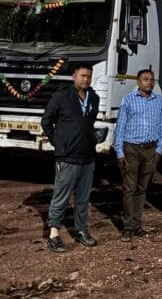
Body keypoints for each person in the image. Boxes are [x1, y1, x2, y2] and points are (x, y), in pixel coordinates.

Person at [41, 64, 100, 253]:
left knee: (83, 197)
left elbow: (88, 124)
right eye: (82, 75)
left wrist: (91, 141)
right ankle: (53, 234)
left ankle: (81, 230)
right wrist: (59, 143)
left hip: (87, 156)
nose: (86, 79)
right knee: (61, 195)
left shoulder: (94, 98)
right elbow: (46, 121)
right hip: (67, 157)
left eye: (89, 76)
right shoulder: (61, 97)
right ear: (74, 77)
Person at [114, 69, 162, 242]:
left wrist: (159, 149)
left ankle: (137, 225)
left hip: (151, 150)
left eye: (151, 79)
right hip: (131, 148)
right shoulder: (128, 100)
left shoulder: (158, 101)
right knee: (130, 188)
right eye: (145, 79)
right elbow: (120, 127)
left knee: (142, 188)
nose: (149, 82)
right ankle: (128, 227)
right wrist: (119, 152)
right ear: (138, 82)